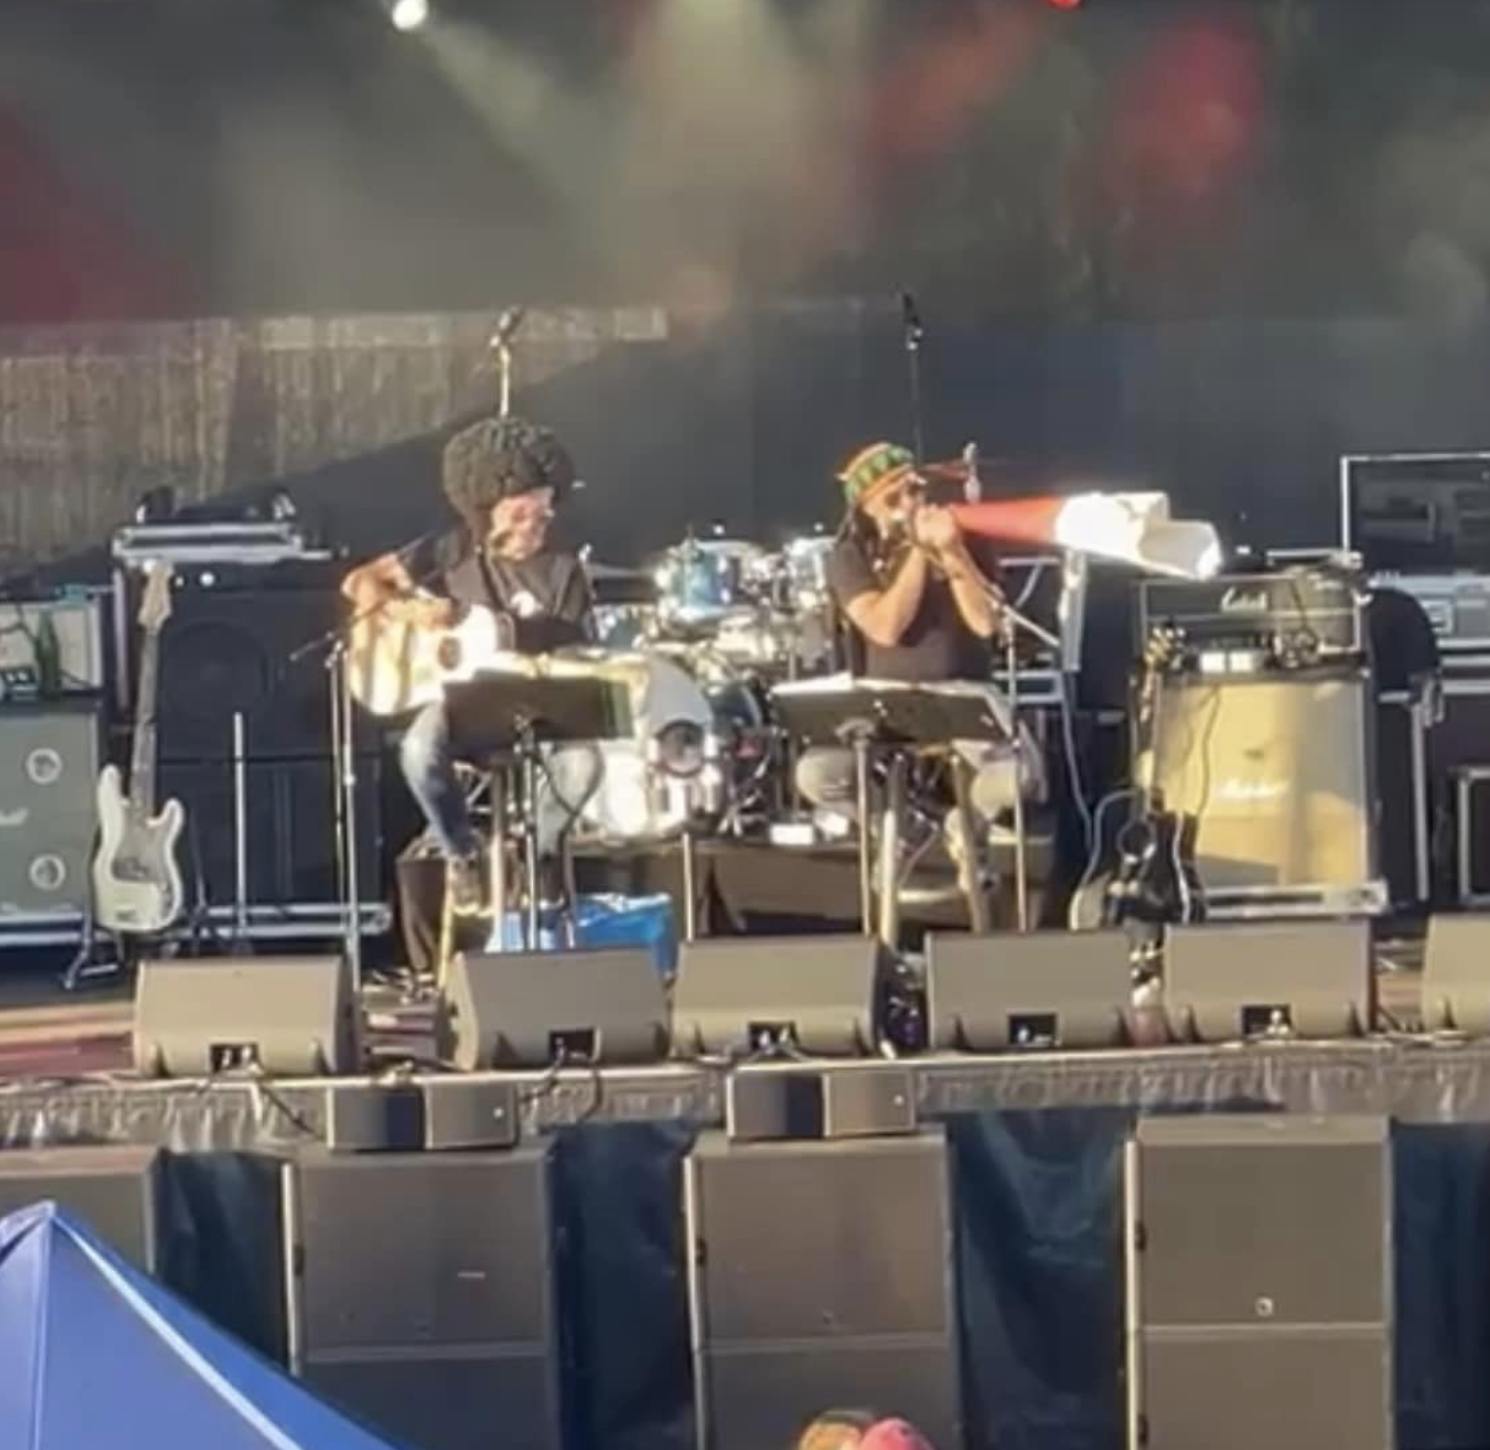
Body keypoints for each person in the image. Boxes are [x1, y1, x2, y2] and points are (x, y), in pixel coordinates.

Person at [342, 415, 593, 912]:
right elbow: (359, 583)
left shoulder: (564, 570)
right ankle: (462, 853)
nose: (533, 526)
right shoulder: (451, 549)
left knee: (584, 764)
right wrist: (408, 609)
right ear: (490, 510)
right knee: (418, 750)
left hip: (537, 703)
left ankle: (536, 855)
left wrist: (509, 632)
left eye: (543, 515)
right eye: (520, 514)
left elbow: (579, 648)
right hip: (462, 705)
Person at [796, 440, 1043, 874]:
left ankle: (966, 825)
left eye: (915, 490)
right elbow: (884, 627)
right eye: (893, 499)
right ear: (867, 509)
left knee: (1020, 772)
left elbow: (985, 623)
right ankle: (897, 827)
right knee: (817, 774)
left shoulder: (963, 537)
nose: (910, 503)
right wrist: (917, 554)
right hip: (886, 697)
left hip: (962, 692)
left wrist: (951, 552)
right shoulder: (850, 555)